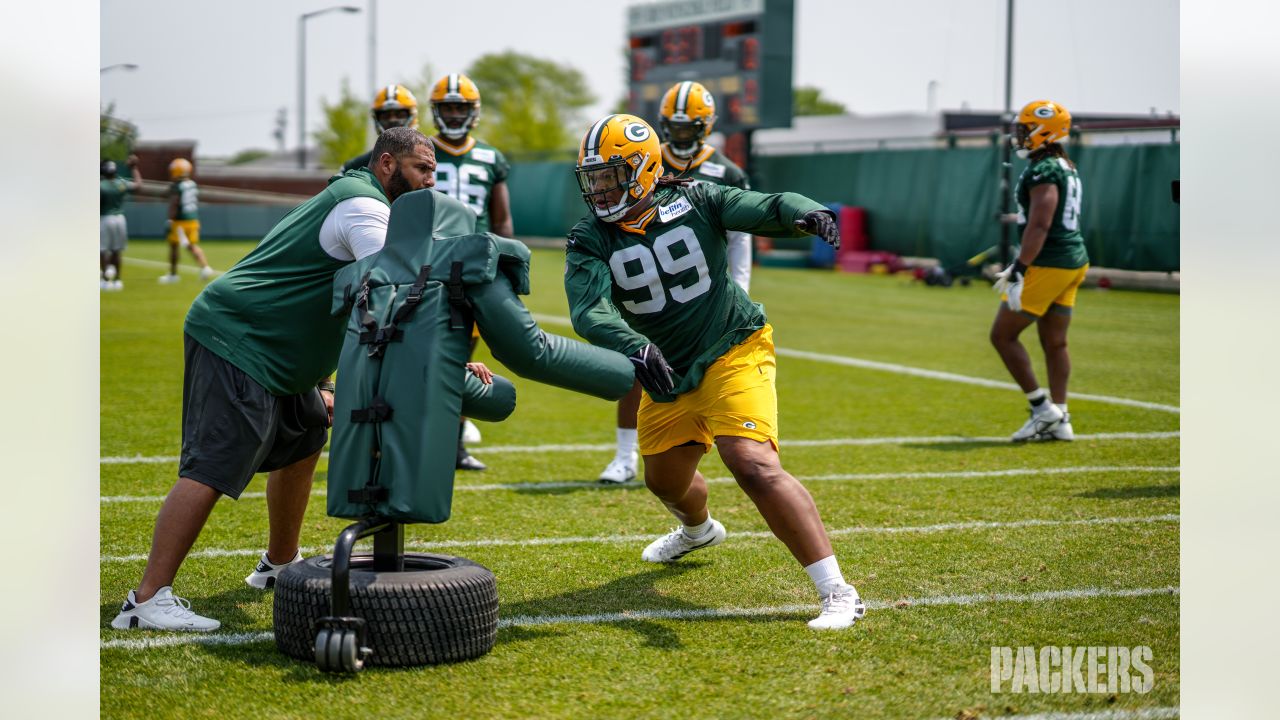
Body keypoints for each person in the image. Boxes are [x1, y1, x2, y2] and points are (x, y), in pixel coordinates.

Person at [110, 127, 468, 631]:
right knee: (214, 463)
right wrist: (451, 354)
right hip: (244, 338)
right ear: (387, 164)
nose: (431, 181)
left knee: (304, 437)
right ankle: (145, 602)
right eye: (422, 169)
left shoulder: (363, 200)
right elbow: (391, 293)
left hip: (286, 352)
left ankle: (279, 565)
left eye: (434, 170)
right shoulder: (366, 208)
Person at [563, 114, 865, 630]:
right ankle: (699, 530)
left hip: (732, 348)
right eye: (593, 177)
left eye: (610, 175)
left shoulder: (699, 198)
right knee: (664, 483)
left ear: (642, 169)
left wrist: (807, 212)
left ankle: (837, 590)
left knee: (750, 462)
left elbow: (766, 206)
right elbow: (589, 311)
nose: (599, 188)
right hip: (666, 368)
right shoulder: (590, 235)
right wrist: (635, 347)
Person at [598, 80, 752, 484]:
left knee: (715, 367)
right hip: (645, 276)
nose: (681, 135)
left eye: (689, 128)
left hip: (701, 284)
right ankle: (625, 454)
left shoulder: (726, 171)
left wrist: (739, 286)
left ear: (705, 127)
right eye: (675, 127)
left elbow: (739, 239)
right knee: (636, 364)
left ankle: (713, 444)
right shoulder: (642, 157)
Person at [426, 72, 515, 470]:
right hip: (427, 264)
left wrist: (508, 266)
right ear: (436, 111)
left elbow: (503, 221)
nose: (455, 113)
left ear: (474, 111)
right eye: (448, 107)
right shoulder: (422, 148)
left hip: (475, 269)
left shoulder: (491, 157)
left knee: (461, 354)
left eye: (461, 106)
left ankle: (455, 445)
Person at [990, 99, 1089, 442]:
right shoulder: (1064, 165)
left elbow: (1041, 224)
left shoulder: (1044, 169)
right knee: (1055, 342)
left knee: (1002, 335)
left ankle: (1042, 408)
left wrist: (1020, 266)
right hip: (1073, 260)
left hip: (1050, 262)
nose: (1019, 136)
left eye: (1024, 129)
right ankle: (1062, 418)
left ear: (1044, 130)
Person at [341, 83, 421, 173]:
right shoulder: (355, 166)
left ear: (412, 116)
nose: (392, 120)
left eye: (400, 114)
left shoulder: (427, 158)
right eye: (385, 115)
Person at [158, 158, 214, 283]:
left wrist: (170, 219)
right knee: (192, 245)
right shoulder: (192, 184)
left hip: (180, 221)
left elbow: (174, 203)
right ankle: (205, 266)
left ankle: (173, 275)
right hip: (193, 220)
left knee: (174, 246)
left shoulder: (177, 186)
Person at [100, 155, 143, 291]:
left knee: (102, 250)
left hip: (106, 218)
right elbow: (138, 185)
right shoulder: (121, 183)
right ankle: (118, 280)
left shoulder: (100, 186)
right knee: (117, 250)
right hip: (120, 218)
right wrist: (134, 168)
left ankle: (106, 281)